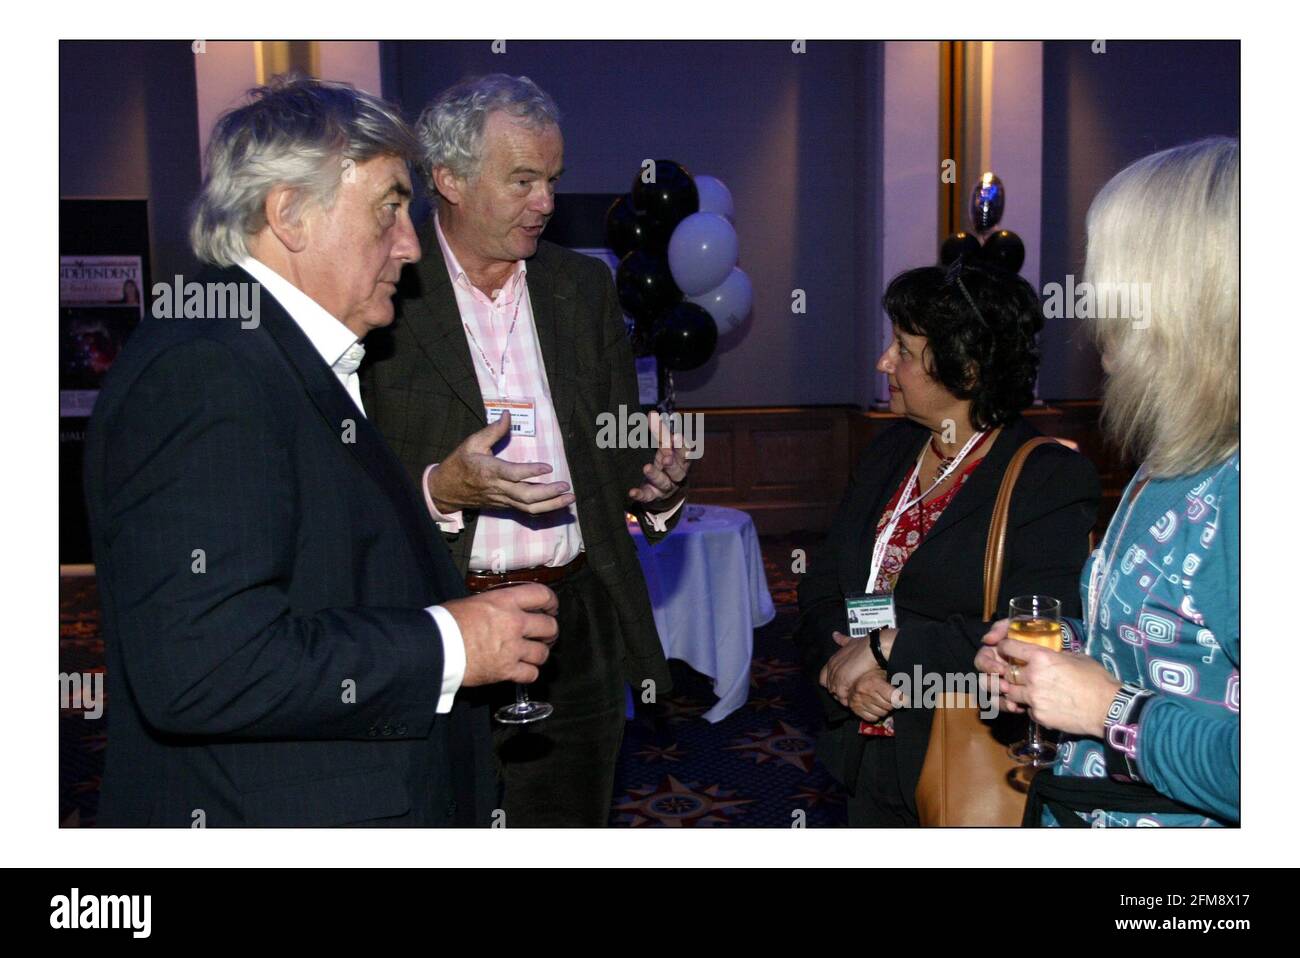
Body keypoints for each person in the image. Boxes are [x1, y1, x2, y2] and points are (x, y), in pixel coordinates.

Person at [84, 76, 559, 827]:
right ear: (290, 214)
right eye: (389, 209)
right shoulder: (208, 371)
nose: (409, 245)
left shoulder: (271, 354)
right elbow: (202, 665)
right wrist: (451, 642)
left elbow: (319, 563)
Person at [361, 74, 692, 827]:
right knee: (436, 820)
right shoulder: (383, 288)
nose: (546, 201)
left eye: (551, 179)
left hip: (575, 614)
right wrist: (442, 488)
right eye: (522, 180)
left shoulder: (581, 288)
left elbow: (612, 443)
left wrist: (659, 484)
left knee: (568, 822)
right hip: (439, 611)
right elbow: (346, 470)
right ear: (447, 178)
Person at [977, 136, 1239, 827]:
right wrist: (1061, 653)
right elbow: (1169, 646)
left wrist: (1109, 711)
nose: (1092, 305)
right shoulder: (1173, 455)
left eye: (1110, 275)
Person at [794, 260, 1100, 826]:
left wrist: (890, 650)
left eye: (904, 350)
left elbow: (1042, 634)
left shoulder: (1047, 478)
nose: (884, 361)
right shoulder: (889, 452)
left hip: (964, 756)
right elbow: (819, 585)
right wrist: (846, 668)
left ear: (968, 369)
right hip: (863, 747)